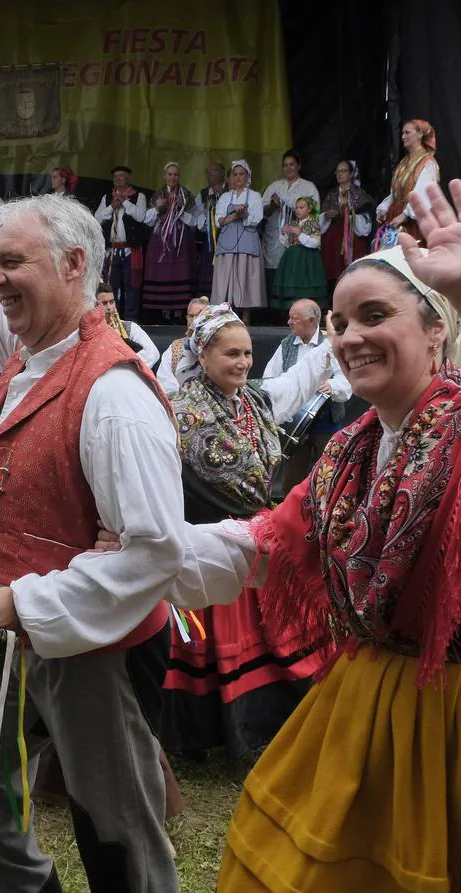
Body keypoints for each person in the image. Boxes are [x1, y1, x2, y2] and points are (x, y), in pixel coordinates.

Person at [149, 181, 461, 893]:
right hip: (371, 702)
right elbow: (264, 544)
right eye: (340, 321)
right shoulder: (351, 452)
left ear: (435, 329)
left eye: (374, 315)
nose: (349, 336)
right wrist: (141, 554)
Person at [0, 89, 185, 893]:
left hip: (95, 649)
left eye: (13, 263)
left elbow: (154, 552)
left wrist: (28, 601)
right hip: (14, 628)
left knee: (116, 835)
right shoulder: (32, 345)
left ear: (72, 267)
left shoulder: (116, 394)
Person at [160, 303, 338, 759]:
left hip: (256, 539)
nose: (241, 362)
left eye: (245, 353)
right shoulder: (177, 411)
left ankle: (271, 727)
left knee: (274, 638)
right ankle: (212, 736)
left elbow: (294, 386)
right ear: (202, 356)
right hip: (207, 544)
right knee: (214, 646)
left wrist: (331, 344)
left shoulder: (254, 402)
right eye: (230, 354)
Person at [262, 298, 353, 494]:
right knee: (292, 480)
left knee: (328, 477)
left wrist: (332, 385)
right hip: (293, 425)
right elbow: (270, 378)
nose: (289, 322)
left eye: (294, 318)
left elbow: (346, 377)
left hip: (325, 422)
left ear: (312, 321)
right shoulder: (285, 345)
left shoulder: (330, 344)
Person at [260, 150, 320, 298]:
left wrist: (291, 209)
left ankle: (290, 308)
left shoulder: (308, 187)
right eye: (285, 165)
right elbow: (261, 212)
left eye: (292, 164)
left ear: (299, 166)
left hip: (297, 237)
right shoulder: (274, 186)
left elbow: (315, 213)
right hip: (274, 234)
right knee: (272, 268)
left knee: (292, 269)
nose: (288, 168)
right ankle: (273, 310)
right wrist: (273, 206)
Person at [141, 162, 197, 318]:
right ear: (164, 176)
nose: (172, 177)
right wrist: (159, 208)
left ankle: (179, 311)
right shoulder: (158, 194)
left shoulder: (186, 195)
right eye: (170, 174)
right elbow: (147, 220)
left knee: (180, 271)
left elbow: (195, 222)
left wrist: (179, 210)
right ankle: (163, 311)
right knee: (162, 272)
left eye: (175, 174)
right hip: (160, 241)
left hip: (179, 240)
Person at [211, 160, 266, 322]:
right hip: (227, 241)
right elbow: (218, 220)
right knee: (225, 279)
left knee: (245, 277)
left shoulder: (255, 196)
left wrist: (244, 216)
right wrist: (235, 216)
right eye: (235, 174)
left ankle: (246, 315)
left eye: (241, 174)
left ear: (247, 176)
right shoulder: (225, 197)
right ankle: (225, 315)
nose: (238, 177)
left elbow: (257, 219)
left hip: (247, 240)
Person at [95, 164, 149, 319]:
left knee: (132, 287)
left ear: (128, 179)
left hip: (130, 250)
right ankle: (112, 319)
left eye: (122, 176)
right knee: (111, 287)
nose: (118, 179)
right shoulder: (107, 198)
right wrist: (113, 206)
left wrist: (124, 202)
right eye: (116, 176)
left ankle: (131, 322)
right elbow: (97, 218)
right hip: (112, 250)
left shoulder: (138, 197)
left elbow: (140, 216)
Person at [375, 118, 439, 247]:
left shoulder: (427, 163)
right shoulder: (404, 162)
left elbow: (422, 195)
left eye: (407, 132)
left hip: (413, 223)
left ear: (420, 134)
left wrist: (404, 215)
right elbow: (395, 192)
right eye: (402, 133)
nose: (403, 136)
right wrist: (384, 208)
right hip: (395, 217)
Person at [319, 159, 375, 286]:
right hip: (333, 241)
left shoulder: (360, 194)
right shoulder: (332, 194)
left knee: (353, 274)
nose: (340, 174)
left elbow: (367, 221)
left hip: (352, 239)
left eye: (343, 171)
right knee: (333, 274)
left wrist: (350, 214)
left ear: (351, 174)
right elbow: (321, 217)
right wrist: (326, 215)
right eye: (338, 171)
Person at [272, 196, 327, 307]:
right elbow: (286, 243)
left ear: (309, 209)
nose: (298, 210)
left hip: (306, 258)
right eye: (296, 208)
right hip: (292, 258)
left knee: (305, 283)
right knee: (292, 283)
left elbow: (315, 242)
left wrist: (299, 234)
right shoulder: (294, 223)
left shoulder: (313, 223)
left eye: (301, 207)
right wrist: (284, 233)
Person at [98, 281, 159, 369]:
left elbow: (152, 353)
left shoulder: (130, 327)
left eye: (111, 302)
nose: (109, 307)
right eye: (104, 303)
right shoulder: (89, 332)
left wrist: (126, 367)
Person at [156, 296, 209, 396]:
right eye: (191, 316)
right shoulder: (175, 348)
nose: (194, 320)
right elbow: (164, 382)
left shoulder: (217, 348)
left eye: (199, 316)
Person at [195, 162, 228, 296]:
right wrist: (205, 212)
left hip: (227, 238)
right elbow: (199, 224)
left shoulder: (230, 191)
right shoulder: (202, 194)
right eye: (208, 172)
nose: (210, 174)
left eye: (214, 170)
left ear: (222, 173)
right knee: (208, 275)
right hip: (210, 241)